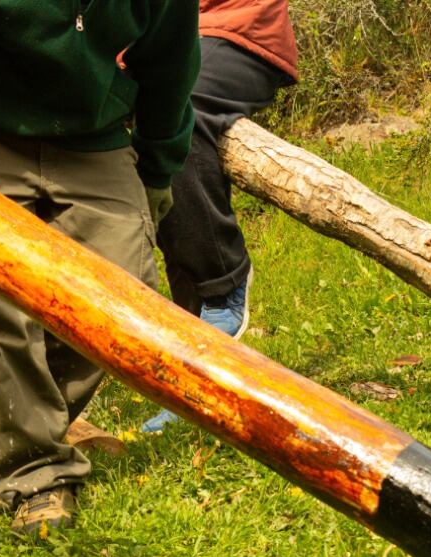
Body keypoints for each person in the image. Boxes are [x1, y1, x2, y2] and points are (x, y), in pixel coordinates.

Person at [0, 0, 199, 535]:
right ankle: (34, 473)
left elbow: (170, 63)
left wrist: (159, 168)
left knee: (123, 303)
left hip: (96, 140)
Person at [141, 0, 297, 433]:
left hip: (237, 30)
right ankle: (195, 369)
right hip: (154, 33)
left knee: (175, 106)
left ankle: (222, 283)